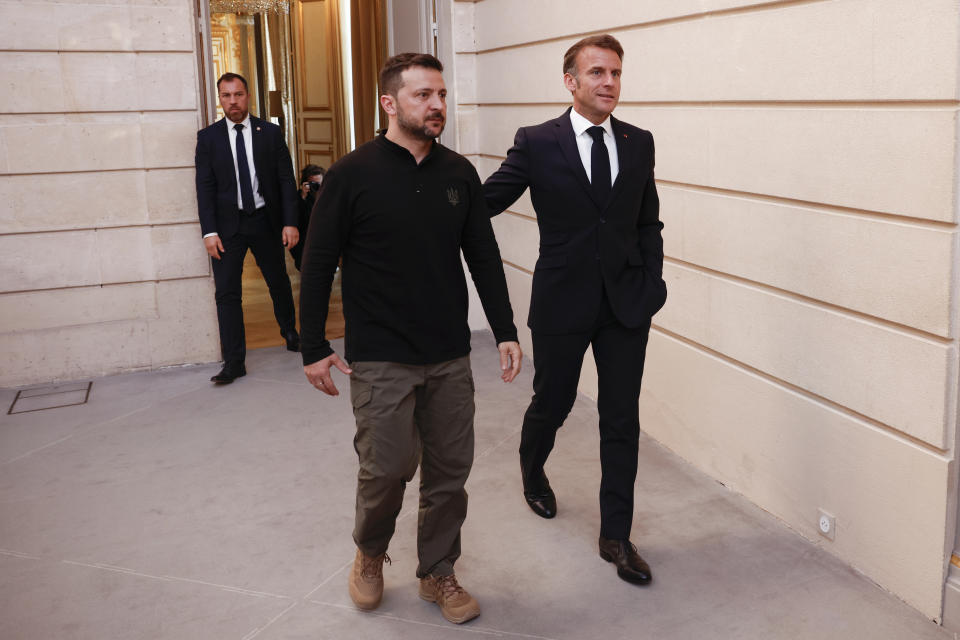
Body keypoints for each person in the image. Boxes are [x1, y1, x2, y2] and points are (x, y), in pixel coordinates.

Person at [299, 53, 522, 625]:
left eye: (441, 94)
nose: (437, 105)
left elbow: (483, 256)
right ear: (389, 103)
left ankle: (437, 569)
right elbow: (319, 262)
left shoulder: (458, 174)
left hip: (448, 351)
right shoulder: (352, 174)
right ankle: (370, 554)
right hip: (380, 354)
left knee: (450, 471)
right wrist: (313, 345)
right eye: (423, 95)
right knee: (387, 466)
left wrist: (504, 330)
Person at [483, 34, 667, 586]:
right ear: (571, 81)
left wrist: (652, 285)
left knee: (621, 419)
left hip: (625, 307)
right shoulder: (538, 142)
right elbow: (487, 200)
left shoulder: (639, 142)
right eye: (597, 73)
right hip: (562, 301)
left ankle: (617, 536)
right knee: (554, 401)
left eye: (615, 73)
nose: (609, 83)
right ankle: (532, 464)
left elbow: (647, 221)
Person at [195, 72, 302, 384]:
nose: (233, 102)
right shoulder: (208, 138)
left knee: (278, 282)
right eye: (226, 96)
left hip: (264, 220)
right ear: (220, 99)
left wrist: (290, 221)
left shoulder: (269, 133)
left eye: (238, 94)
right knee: (227, 293)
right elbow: (204, 187)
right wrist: (209, 231)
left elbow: (286, 179)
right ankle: (234, 362)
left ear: (248, 96)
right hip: (228, 227)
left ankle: (290, 333)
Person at [290, 164, 326, 271]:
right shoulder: (299, 198)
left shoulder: (328, 196)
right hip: (305, 239)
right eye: (313, 184)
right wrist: (303, 198)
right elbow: (299, 221)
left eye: (320, 184)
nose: (317, 188)